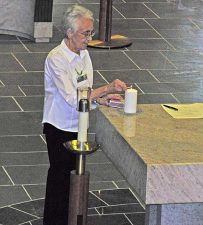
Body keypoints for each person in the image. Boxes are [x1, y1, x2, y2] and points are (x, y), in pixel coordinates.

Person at [42, 4, 127, 225]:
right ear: (69, 32)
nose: (89, 38)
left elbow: (86, 92)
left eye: (91, 32)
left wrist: (101, 100)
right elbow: (73, 98)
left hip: (79, 123)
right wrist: (106, 88)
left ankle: (73, 217)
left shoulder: (84, 55)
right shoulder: (56, 58)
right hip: (59, 127)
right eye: (85, 33)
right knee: (60, 181)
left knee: (74, 180)